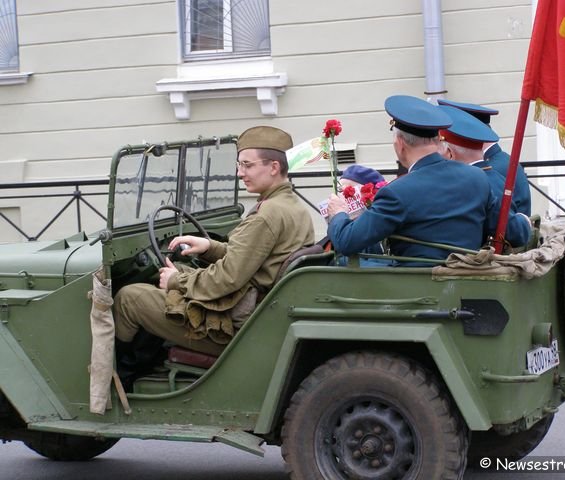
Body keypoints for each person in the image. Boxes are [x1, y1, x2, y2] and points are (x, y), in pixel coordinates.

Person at [113, 126, 315, 384]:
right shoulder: (291, 206)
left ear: (274, 167)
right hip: (259, 314)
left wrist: (177, 281)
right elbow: (253, 258)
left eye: (247, 165)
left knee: (129, 298)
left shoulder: (267, 215)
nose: (240, 173)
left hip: (236, 327)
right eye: (239, 165)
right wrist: (209, 247)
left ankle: (122, 383)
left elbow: (227, 278)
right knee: (168, 277)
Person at [326, 95, 496, 265]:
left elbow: (347, 242)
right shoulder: (478, 177)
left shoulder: (397, 192)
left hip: (417, 284)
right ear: (438, 140)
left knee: (342, 262)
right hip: (470, 278)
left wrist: (338, 213)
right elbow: (504, 229)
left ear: (400, 143)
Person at [438, 105, 531, 248]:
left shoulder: (482, 178)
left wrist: (523, 222)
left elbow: (512, 231)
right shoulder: (489, 172)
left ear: (450, 153)